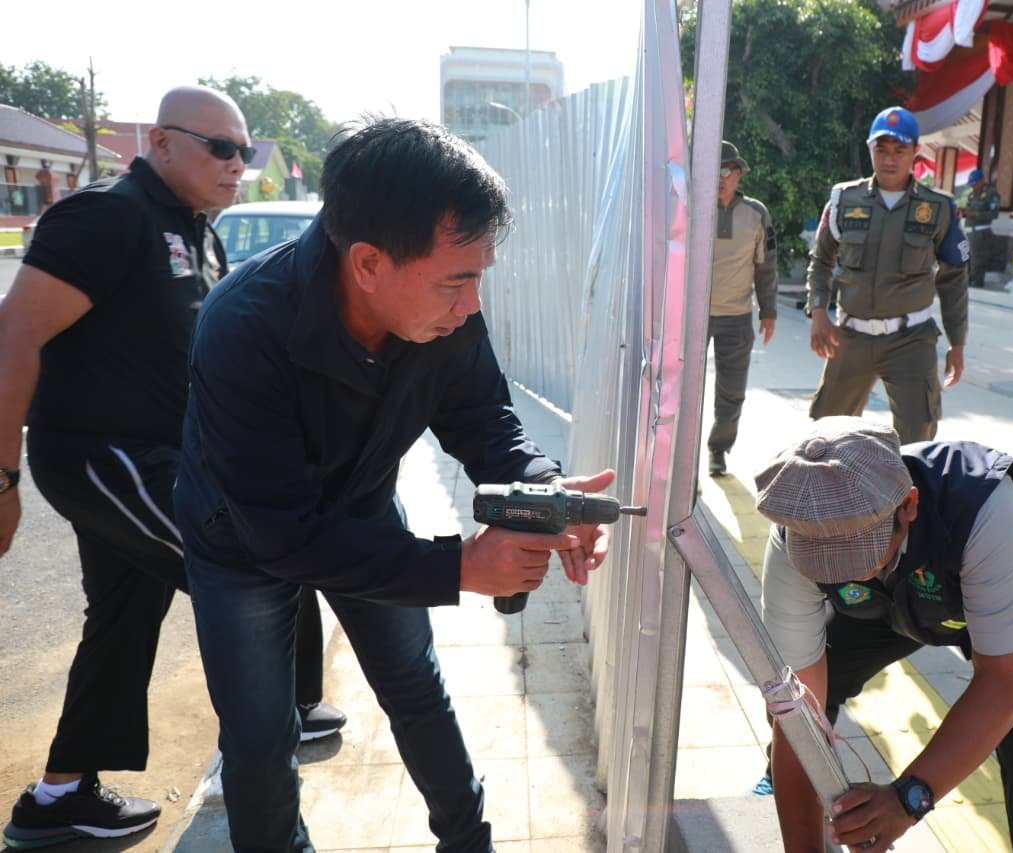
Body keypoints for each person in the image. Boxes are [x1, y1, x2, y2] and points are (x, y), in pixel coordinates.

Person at [172, 117, 616, 852]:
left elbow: (484, 418)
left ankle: (467, 841)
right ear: (369, 263)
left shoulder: (443, 310)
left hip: (364, 507)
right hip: (240, 538)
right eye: (456, 281)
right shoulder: (243, 325)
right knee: (258, 735)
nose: (471, 305)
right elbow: (281, 532)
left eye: (479, 276)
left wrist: (545, 491)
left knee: (414, 685)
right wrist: (459, 566)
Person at [0, 86, 344, 850]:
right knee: (258, 564)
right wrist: (2, 479)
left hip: (168, 457)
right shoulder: (107, 217)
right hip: (109, 458)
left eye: (243, 150)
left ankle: (58, 795)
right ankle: (274, 733)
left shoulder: (195, 228)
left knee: (123, 618)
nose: (237, 164)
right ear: (159, 142)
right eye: (219, 147)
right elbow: (13, 334)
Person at [755, 416, 1013, 853]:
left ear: (908, 505)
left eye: (858, 556)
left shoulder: (984, 507)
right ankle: (790, 787)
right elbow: (797, 708)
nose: (842, 571)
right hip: (890, 602)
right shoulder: (795, 531)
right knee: (806, 706)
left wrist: (907, 798)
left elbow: (1005, 683)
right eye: (822, 562)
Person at [806, 106, 969, 444]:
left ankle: (905, 483)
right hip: (851, 336)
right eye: (881, 149)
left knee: (917, 437)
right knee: (826, 436)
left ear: (916, 152)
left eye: (899, 150)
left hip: (911, 340)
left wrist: (958, 342)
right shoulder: (843, 200)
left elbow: (954, 279)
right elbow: (821, 260)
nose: (889, 159)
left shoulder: (939, 209)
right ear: (870, 149)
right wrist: (819, 312)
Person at [706, 140, 778, 476]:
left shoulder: (756, 213)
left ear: (738, 173)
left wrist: (768, 311)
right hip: (692, 318)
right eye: (712, 170)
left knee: (732, 392)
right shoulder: (690, 208)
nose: (719, 178)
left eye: (725, 171)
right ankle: (680, 454)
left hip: (736, 316)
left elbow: (766, 266)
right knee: (682, 391)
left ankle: (719, 449)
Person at [959, 169, 1000, 288]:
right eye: (971, 184)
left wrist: (975, 214)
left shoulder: (991, 194)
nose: (972, 186)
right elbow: (969, 209)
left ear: (982, 181)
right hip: (969, 232)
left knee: (978, 260)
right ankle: (967, 283)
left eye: (974, 183)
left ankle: (976, 285)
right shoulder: (971, 195)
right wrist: (964, 212)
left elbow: (994, 214)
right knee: (967, 259)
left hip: (981, 233)